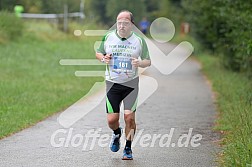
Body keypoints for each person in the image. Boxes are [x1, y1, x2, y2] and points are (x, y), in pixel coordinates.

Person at [96, 10, 151, 160]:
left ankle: (128, 148)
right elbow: (98, 52)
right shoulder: (108, 37)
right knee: (112, 120)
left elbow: (148, 61)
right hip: (112, 84)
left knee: (129, 118)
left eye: (125, 23)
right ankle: (116, 133)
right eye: (119, 22)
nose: (121, 26)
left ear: (132, 25)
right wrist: (103, 58)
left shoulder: (139, 40)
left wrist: (140, 63)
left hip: (131, 85)